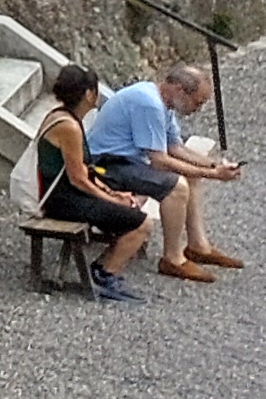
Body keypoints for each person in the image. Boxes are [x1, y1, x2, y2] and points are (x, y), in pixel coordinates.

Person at [88, 65, 245, 275]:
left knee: (190, 175)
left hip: (126, 162)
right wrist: (214, 175)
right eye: (197, 102)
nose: (197, 109)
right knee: (176, 187)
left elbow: (175, 148)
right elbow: (160, 161)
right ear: (180, 90)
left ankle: (198, 245)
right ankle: (173, 258)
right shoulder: (149, 104)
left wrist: (214, 165)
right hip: (105, 166)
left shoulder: (164, 103)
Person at [33, 70, 155, 303]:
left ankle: (105, 268)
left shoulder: (65, 117)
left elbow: (85, 170)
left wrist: (114, 193)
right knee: (142, 224)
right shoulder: (68, 127)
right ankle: (105, 273)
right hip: (62, 201)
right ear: (89, 94)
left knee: (131, 203)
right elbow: (78, 178)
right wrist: (112, 200)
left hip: (69, 194)